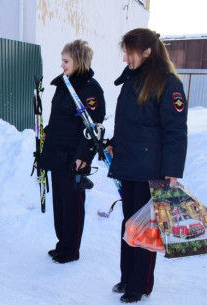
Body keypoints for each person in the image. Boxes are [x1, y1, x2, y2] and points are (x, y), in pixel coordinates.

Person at [106, 28, 187, 303]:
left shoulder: (167, 83)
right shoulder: (132, 79)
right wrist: (115, 142)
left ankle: (140, 286)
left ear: (148, 52)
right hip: (129, 164)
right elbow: (130, 121)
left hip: (152, 170)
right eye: (125, 52)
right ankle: (127, 277)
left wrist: (172, 172)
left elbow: (176, 131)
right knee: (129, 225)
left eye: (130, 53)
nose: (126, 58)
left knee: (145, 230)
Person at [38, 40, 106, 264]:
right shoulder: (64, 85)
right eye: (62, 60)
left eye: (66, 61)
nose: (62, 65)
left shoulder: (90, 89)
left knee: (73, 206)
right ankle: (62, 244)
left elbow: (93, 127)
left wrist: (83, 156)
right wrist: (48, 132)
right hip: (57, 153)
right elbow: (61, 119)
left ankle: (71, 250)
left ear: (79, 61)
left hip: (74, 158)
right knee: (60, 204)